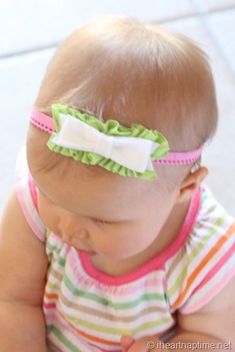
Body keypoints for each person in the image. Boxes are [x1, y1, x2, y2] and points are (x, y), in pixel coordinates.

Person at [0, 16, 234, 352]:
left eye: (101, 219)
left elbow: (216, 341)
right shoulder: (34, 201)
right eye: (54, 198)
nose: (67, 228)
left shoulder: (206, 256)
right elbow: (13, 301)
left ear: (184, 189)